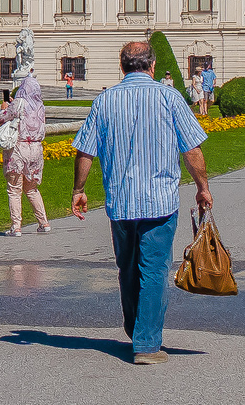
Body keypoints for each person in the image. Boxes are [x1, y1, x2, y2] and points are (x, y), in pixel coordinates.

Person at [69, 41, 213, 366]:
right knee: (155, 269)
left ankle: (137, 328)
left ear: (122, 67)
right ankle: (146, 343)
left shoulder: (104, 101)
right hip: (159, 202)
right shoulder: (169, 97)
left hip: (120, 203)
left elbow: (85, 151)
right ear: (152, 66)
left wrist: (79, 189)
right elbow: (192, 149)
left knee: (128, 266)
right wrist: (202, 187)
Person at [1, 65, 50, 236]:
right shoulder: (40, 106)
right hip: (36, 149)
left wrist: (4, 108)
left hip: (19, 149)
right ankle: (43, 222)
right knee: (31, 188)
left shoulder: (19, 102)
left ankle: (16, 226)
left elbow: (3, 118)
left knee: (14, 189)